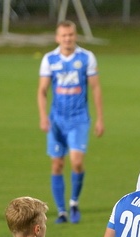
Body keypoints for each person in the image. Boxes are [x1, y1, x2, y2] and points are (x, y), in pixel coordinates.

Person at [37, 20, 104, 224]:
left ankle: (74, 202)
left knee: (76, 162)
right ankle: (61, 211)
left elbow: (95, 88)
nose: (67, 39)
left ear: (75, 36)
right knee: (57, 164)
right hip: (57, 120)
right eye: (64, 35)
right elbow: (42, 90)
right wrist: (43, 116)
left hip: (79, 119)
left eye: (71, 35)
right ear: (58, 38)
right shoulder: (50, 59)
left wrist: (100, 118)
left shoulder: (86, 57)